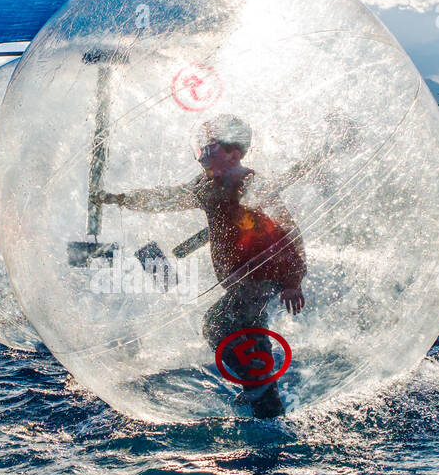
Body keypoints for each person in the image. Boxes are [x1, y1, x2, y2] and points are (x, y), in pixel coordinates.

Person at [98, 114, 306, 418]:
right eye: (203, 147)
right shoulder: (208, 186)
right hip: (241, 281)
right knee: (246, 331)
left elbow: (289, 231)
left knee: (221, 324)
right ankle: (264, 404)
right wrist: (120, 199)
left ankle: (261, 395)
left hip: (260, 277)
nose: (204, 153)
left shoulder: (252, 185)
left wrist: (291, 280)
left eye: (212, 147)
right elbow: (166, 198)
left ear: (235, 153)